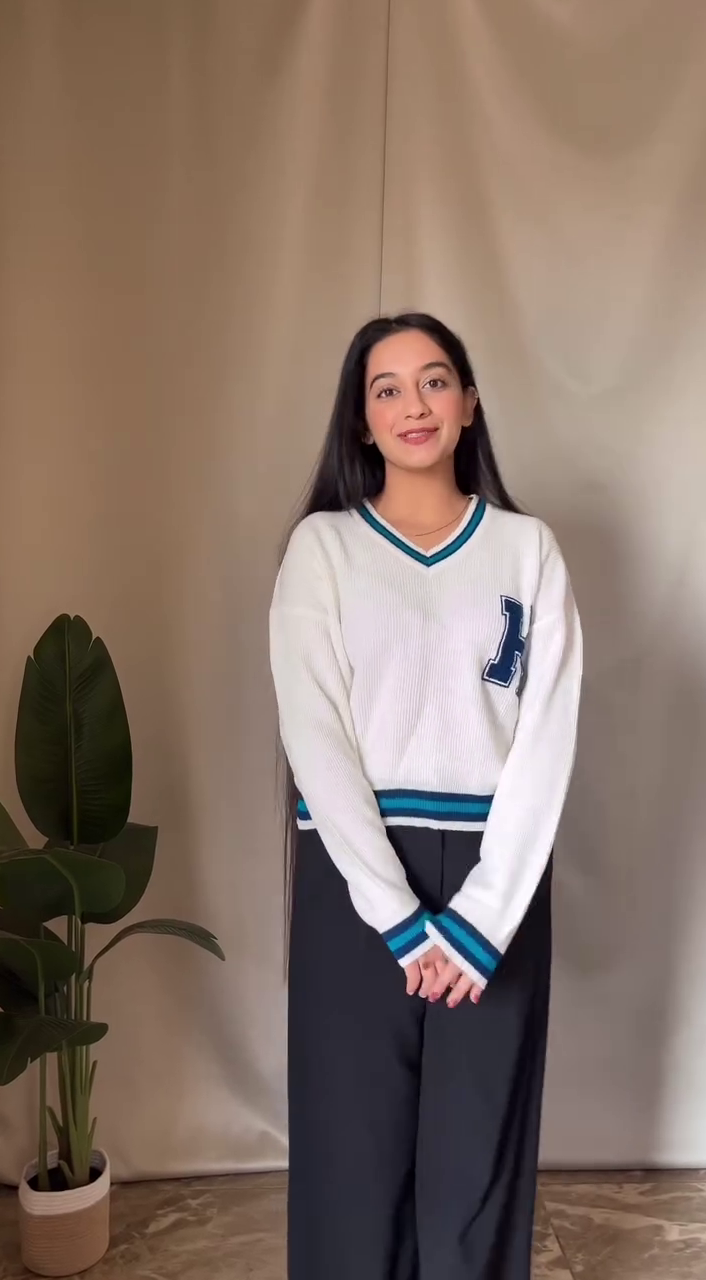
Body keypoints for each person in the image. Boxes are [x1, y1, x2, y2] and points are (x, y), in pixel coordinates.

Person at [269, 312, 582, 1280]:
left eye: (436, 380)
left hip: (499, 877)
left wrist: (482, 920)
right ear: (361, 421)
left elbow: (546, 739)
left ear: (470, 404)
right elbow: (315, 736)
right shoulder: (323, 548)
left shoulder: (528, 549)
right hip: (356, 878)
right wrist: (398, 918)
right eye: (388, 388)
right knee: (352, 1157)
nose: (415, 404)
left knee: (478, 1161)